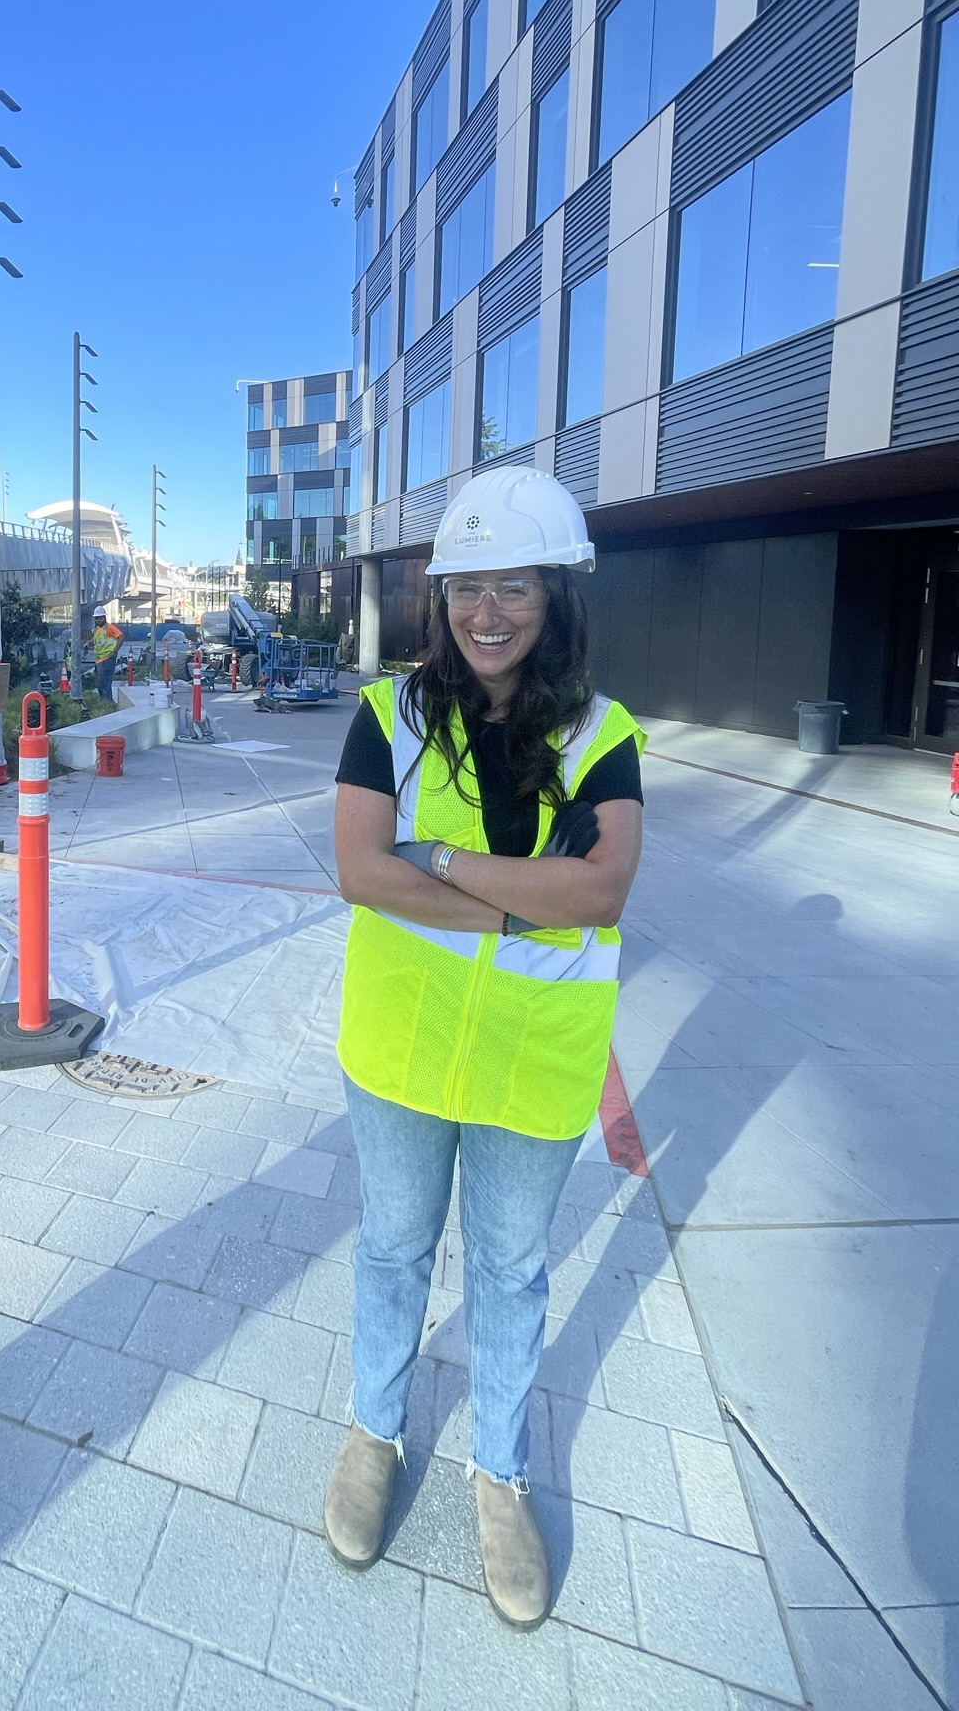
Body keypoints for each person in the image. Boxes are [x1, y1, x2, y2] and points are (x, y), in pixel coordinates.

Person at [325, 466, 644, 1629]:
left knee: (510, 1272)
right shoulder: (385, 718)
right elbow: (362, 868)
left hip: (535, 1062)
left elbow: (604, 881)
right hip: (402, 1051)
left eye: (515, 586)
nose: (488, 611)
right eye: (468, 588)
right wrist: (528, 903)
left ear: (557, 596)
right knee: (395, 1248)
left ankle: (497, 1472)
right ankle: (374, 1431)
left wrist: (447, 867)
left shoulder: (606, 734)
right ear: (440, 599)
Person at [91, 604, 124, 703]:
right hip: (100, 660)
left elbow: (121, 637)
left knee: (105, 684)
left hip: (107, 659)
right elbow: (96, 641)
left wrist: (114, 652)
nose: (98, 620)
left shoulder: (109, 627)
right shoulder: (98, 630)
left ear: (104, 617)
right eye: (96, 618)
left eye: (100, 618)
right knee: (100, 684)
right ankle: (105, 703)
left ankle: (108, 703)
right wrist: (88, 644)